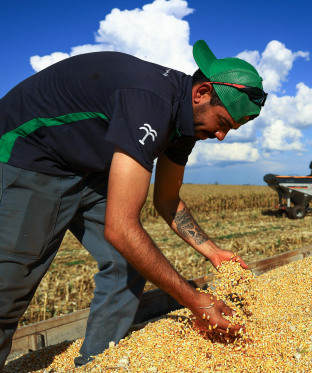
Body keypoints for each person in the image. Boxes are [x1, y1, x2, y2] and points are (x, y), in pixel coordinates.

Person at [0, 39, 267, 370]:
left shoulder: (187, 125)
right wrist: (195, 301)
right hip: (30, 151)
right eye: (223, 123)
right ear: (202, 93)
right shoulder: (152, 103)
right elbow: (121, 228)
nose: (221, 136)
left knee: (128, 265)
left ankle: (95, 363)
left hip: (86, 163)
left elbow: (167, 199)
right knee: (9, 285)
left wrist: (213, 252)